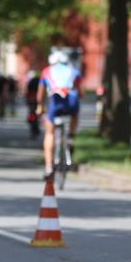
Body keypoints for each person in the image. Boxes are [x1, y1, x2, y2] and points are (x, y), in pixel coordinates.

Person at [36, 50, 82, 180]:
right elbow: (81, 92)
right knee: (75, 114)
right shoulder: (74, 71)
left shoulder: (46, 71)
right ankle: (71, 137)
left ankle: (49, 169)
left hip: (55, 102)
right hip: (72, 101)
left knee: (49, 133)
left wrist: (40, 107)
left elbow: (40, 95)